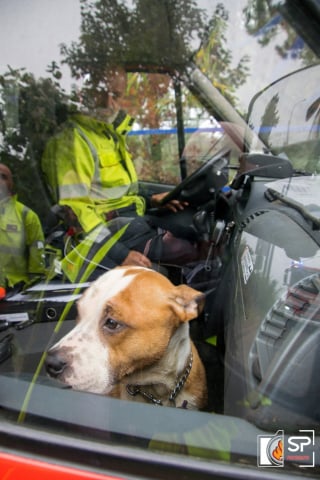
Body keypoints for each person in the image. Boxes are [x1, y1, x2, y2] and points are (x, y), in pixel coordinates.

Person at [41, 67, 199, 281]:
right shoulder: (72, 141)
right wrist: (121, 255)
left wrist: (150, 200)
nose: (108, 102)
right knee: (192, 253)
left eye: (115, 95)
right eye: (101, 92)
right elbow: (76, 213)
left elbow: (116, 195)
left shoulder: (109, 136)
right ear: (84, 91)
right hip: (101, 240)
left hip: (127, 226)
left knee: (193, 233)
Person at [0, 163, 46, 291]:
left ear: (11, 183)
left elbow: (37, 264)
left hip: (16, 291)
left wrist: (32, 290)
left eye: (3, 177)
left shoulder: (27, 216)